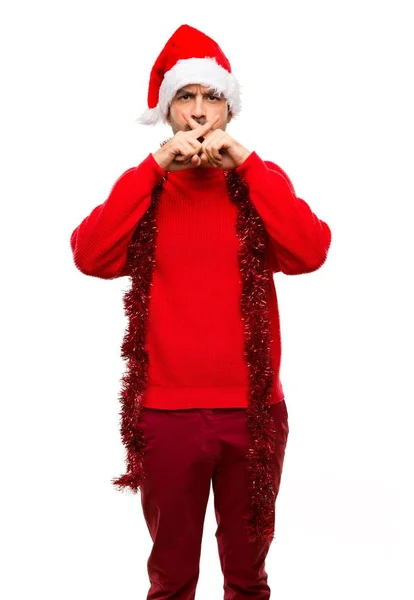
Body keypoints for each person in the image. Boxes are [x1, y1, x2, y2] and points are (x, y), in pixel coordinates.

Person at [70, 23, 332, 600]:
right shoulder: (147, 189)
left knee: (247, 575)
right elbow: (90, 255)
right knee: (170, 578)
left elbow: (310, 251)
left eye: (211, 96)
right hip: (167, 414)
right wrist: (157, 164)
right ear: (167, 111)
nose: (197, 110)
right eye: (184, 96)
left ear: (229, 109)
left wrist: (248, 162)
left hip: (255, 413)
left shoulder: (259, 184)